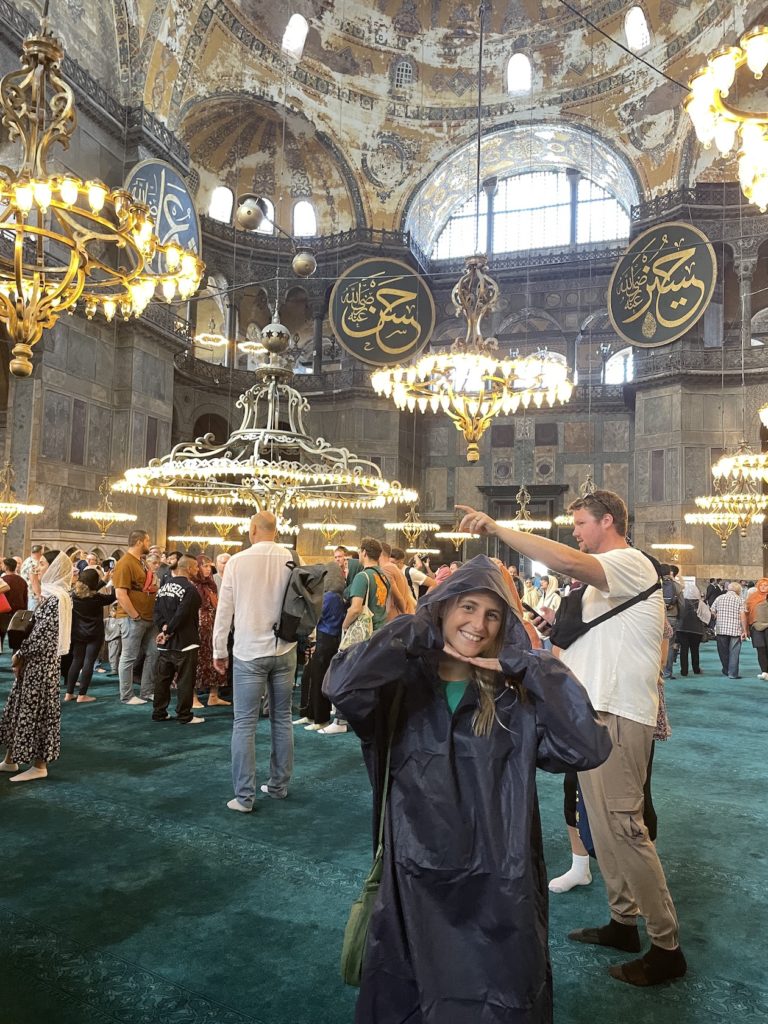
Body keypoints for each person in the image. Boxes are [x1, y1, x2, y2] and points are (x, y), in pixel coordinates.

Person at [324, 555, 611, 1023]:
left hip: (499, 883)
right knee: (412, 997)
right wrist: (416, 630)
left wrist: (532, 666)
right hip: (414, 879)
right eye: (468, 607)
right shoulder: (399, 687)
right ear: (443, 607)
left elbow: (587, 747)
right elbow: (341, 684)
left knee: (497, 1000)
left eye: (492, 614)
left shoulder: (513, 697)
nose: (478, 624)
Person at [457, 492, 687, 986]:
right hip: (594, 712)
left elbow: (564, 559)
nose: (575, 531)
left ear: (609, 521)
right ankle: (623, 922)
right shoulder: (601, 584)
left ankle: (667, 947)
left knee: (624, 828)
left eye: (581, 522)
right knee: (601, 828)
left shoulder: (628, 561)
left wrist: (498, 529)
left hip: (619, 712)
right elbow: (566, 648)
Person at [213, 512, 297, 812]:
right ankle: (278, 786)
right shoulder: (289, 557)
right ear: (275, 530)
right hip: (285, 649)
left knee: (244, 724)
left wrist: (218, 650)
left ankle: (245, 797)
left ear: (252, 530)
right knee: (282, 717)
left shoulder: (237, 561)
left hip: (249, 651)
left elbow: (225, 610)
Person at [0, 551, 73, 783]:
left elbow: (43, 637)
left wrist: (20, 654)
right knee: (19, 708)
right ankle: (10, 759)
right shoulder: (53, 595)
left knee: (36, 713)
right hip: (34, 664)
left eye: (42, 564)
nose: (38, 567)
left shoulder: (56, 599)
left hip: (41, 666)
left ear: (54, 568)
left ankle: (39, 765)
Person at [320, 537, 391, 736]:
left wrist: (344, 626)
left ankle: (341, 719)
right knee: (369, 678)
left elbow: (356, 608)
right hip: (379, 630)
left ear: (364, 553)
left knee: (345, 675)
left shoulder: (363, 576)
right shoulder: (383, 576)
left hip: (362, 633)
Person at [152, 555, 204, 725]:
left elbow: (157, 612)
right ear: (188, 568)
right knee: (185, 680)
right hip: (186, 642)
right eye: (196, 567)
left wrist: (163, 630)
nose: (198, 570)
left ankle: (159, 712)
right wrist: (169, 631)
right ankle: (184, 715)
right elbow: (183, 614)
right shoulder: (190, 589)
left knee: (163, 679)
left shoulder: (163, 587)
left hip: (166, 644)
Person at [295, 561, 346, 731]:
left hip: (326, 641)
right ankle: (310, 715)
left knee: (318, 680)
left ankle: (320, 718)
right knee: (311, 677)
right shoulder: (335, 596)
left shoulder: (331, 597)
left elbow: (314, 614)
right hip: (326, 639)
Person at [112, 530, 159, 705]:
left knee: (153, 653)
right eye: (147, 541)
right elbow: (120, 594)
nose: (149, 544)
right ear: (139, 542)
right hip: (133, 618)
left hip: (148, 617)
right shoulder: (125, 563)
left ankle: (147, 691)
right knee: (129, 656)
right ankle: (127, 695)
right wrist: (135, 615)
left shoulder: (140, 562)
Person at [64, 569, 115, 702]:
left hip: (77, 633)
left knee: (76, 661)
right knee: (88, 662)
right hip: (94, 634)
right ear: (94, 583)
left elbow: (89, 589)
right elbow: (112, 597)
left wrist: (104, 580)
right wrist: (114, 582)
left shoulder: (73, 595)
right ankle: (82, 695)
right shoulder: (97, 598)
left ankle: (68, 693)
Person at [192, 554, 230, 707]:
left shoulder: (211, 583)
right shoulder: (193, 584)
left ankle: (214, 696)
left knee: (215, 657)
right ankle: (193, 697)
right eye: (205, 566)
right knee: (197, 662)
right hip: (198, 625)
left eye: (209, 566)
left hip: (213, 624)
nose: (208, 569)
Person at [711, 582, 748, 679]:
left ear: (728, 589)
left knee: (723, 651)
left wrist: (717, 617)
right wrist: (744, 630)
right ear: (739, 591)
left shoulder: (719, 598)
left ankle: (726, 669)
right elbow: (743, 615)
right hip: (735, 629)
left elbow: (712, 611)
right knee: (734, 652)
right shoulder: (740, 599)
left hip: (721, 628)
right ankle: (733, 674)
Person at [676, 580, 707, 677]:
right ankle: (696, 669)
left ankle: (684, 671)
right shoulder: (700, 603)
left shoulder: (682, 602)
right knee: (695, 650)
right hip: (696, 630)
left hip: (682, 629)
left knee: (684, 650)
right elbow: (707, 617)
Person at [744, 577, 768, 680]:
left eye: (766, 585)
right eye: (761, 585)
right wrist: (746, 629)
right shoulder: (752, 598)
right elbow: (747, 613)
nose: (763, 587)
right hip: (755, 626)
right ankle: (764, 671)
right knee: (760, 649)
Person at [0, 557, 25, 651]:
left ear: (6, 567)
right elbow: (24, 597)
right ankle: (16, 654)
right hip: (19, 611)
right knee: (16, 637)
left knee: (1, 633)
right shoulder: (22, 580)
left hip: (4, 611)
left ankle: (1, 649)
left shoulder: (3, 579)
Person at [20, 544, 44, 610]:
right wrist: (39, 596)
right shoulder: (34, 564)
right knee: (32, 617)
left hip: (27, 594)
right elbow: (34, 581)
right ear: (41, 552)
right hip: (33, 596)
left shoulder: (26, 560)